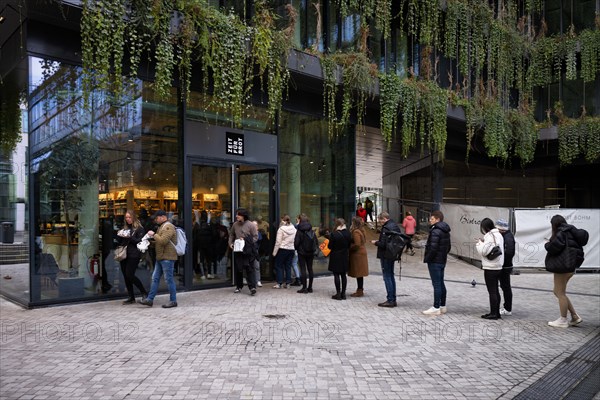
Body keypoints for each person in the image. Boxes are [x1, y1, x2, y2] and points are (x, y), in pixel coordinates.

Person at [544, 214, 588, 328]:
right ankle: (574, 316)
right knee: (557, 291)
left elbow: (554, 248)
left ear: (554, 225)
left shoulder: (561, 233)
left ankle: (563, 320)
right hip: (570, 267)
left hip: (562, 267)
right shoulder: (571, 231)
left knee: (560, 293)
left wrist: (547, 244)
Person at [138, 210, 178, 308]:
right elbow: (160, 242)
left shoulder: (168, 227)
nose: (156, 220)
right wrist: (150, 243)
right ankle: (150, 300)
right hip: (161, 257)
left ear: (163, 217)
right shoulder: (162, 227)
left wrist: (153, 234)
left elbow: (163, 241)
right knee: (155, 278)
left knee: (169, 280)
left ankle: (173, 301)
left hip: (167, 258)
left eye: (157, 218)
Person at [422, 210, 451, 315]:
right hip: (442, 260)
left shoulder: (435, 231)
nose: (430, 220)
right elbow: (448, 247)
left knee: (437, 284)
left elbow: (433, 248)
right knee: (441, 282)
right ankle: (442, 305)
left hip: (434, 261)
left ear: (438, 219)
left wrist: (428, 258)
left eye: (432, 218)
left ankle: (436, 307)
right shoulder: (446, 231)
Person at [117, 210, 148, 304]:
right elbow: (120, 242)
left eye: (129, 217)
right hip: (124, 254)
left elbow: (140, 241)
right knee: (126, 276)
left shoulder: (139, 228)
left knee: (129, 274)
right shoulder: (125, 228)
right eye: (126, 217)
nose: (128, 219)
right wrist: (119, 235)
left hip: (134, 254)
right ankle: (131, 297)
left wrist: (129, 236)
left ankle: (143, 292)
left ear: (134, 217)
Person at [475, 217, 504, 320]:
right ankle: (496, 312)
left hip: (490, 266)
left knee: (492, 291)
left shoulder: (490, 236)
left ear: (484, 227)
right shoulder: (498, 234)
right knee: (496, 290)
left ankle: (493, 313)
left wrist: (479, 243)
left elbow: (484, 251)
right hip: (498, 266)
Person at [371, 212, 402, 307]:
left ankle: (390, 299)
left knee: (387, 276)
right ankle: (393, 298)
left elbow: (383, 244)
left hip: (386, 255)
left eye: (380, 220)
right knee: (391, 276)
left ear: (384, 219)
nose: (379, 222)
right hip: (392, 254)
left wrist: (375, 242)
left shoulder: (386, 228)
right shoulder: (395, 226)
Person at [229, 208, 259, 295]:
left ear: (243, 215)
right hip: (238, 250)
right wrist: (230, 243)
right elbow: (231, 234)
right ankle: (239, 286)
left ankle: (252, 287)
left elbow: (255, 237)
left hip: (248, 251)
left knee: (250, 269)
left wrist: (246, 240)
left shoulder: (251, 225)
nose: (236, 216)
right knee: (239, 269)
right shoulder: (235, 225)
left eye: (238, 214)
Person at [294, 214, 318, 293]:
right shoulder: (311, 230)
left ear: (300, 220)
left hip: (302, 252)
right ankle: (310, 287)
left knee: (303, 269)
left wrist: (297, 248)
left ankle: (304, 287)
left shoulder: (299, 230)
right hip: (310, 252)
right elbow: (316, 241)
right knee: (310, 269)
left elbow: (296, 243)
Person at [495, 219, 515, 316]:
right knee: (505, 286)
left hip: (505, 266)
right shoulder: (506, 236)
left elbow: (510, 252)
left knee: (506, 287)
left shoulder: (507, 237)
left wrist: (501, 259)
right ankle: (507, 307)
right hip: (505, 265)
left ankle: (507, 308)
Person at [328, 218, 351, 300]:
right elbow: (349, 245)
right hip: (344, 255)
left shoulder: (334, 234)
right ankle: (343, 294)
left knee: (336, 274)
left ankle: (338, 293)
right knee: (343, 275)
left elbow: (329, 246)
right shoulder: (348, 233)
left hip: (335, 255)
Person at [272, 214, 296, 289]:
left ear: (283, 220)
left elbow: (278, 242)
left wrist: (274, 252)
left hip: (282, 249)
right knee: (288, 266)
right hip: (291, 249)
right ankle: (288, 283)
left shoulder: (281, 229)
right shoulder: (294, 229)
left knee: (278, 266)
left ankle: (279, 283)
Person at [348, 216, 368, 297]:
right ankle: (360, 289)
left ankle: (359, 291)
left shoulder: (356, 232)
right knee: (360, 273)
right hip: (361, 253)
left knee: (359, 272)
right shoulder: (362, 230)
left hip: (357, 254)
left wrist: (349, 248)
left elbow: (357, 244)